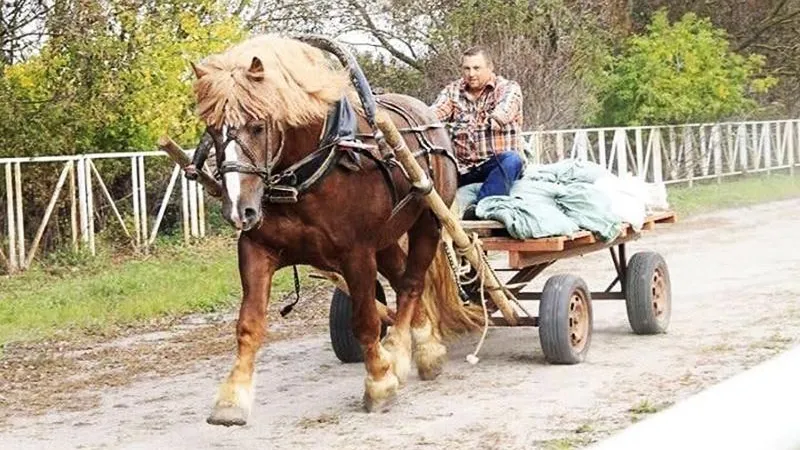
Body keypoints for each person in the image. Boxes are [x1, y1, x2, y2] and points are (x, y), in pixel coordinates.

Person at [431, 46, 526, 219]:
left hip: (495, 164)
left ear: (490, 68)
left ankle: (480, 211)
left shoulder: (507, 88)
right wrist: (419, 119)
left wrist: (496, 118)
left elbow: (507, 107)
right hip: (462, 168)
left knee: (513, 160)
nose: (471, 74)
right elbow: (434, 113)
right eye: (466, 68)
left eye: (477, 68)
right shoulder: (453, 91)